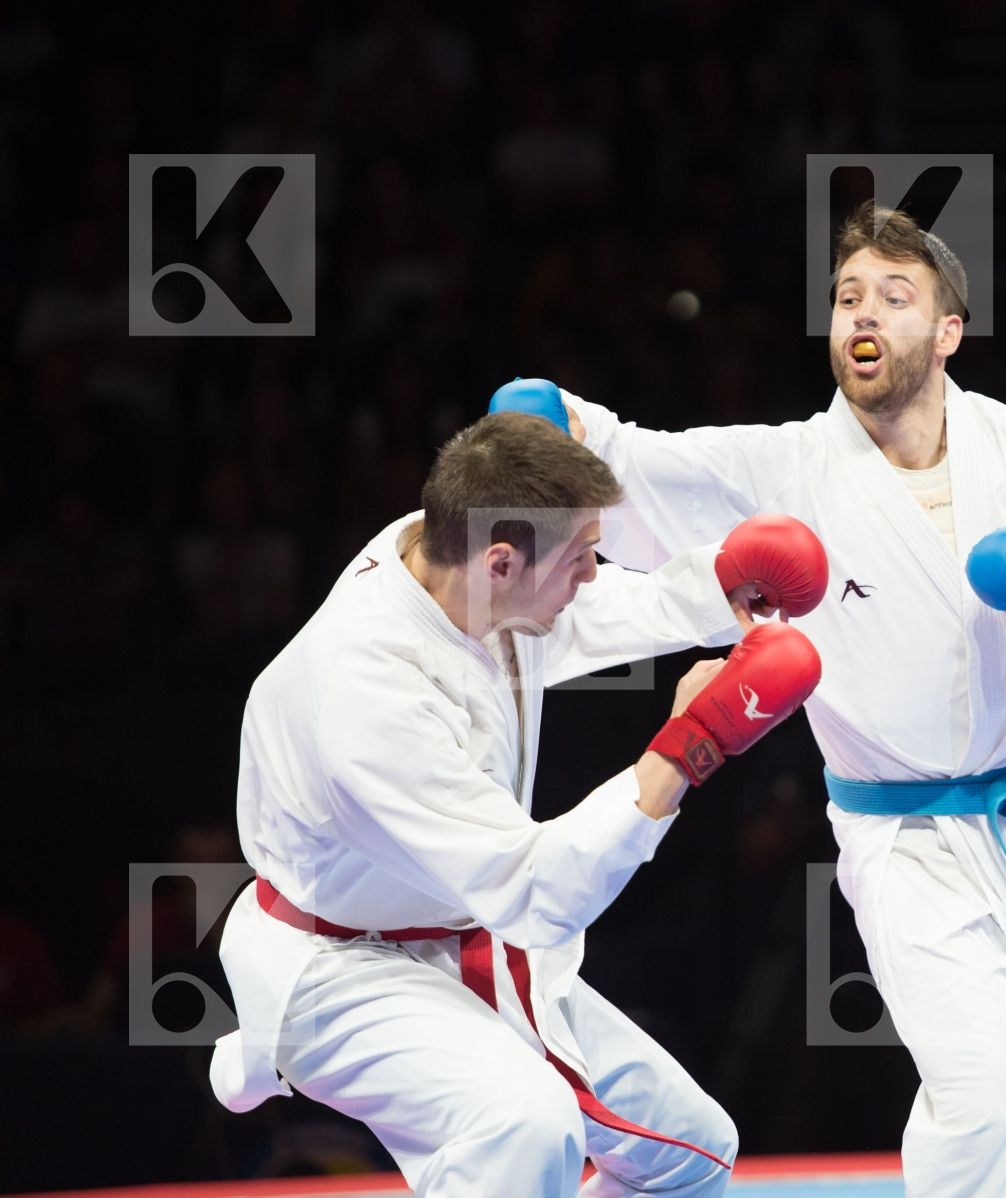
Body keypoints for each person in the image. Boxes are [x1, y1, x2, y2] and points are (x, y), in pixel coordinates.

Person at [499, 203, 1006, 1196]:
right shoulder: (790, 466)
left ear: (947, 331)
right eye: (846, 298)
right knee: (982, 1113)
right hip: (909, 845)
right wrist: (562, 427)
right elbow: (649, 465)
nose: (862, 315)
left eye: (893, 296)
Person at [209, 410, 824, 1198]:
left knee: (693, 1152)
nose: (595, 572)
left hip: (462, 934)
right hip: (341, 965)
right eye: (583, 555)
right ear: (500, 562)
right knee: (524, 1122)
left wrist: (718, 583)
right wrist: (687, 747)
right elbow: (539, 895)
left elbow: (574, 611)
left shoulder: (451, 558)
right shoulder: (366, 694)